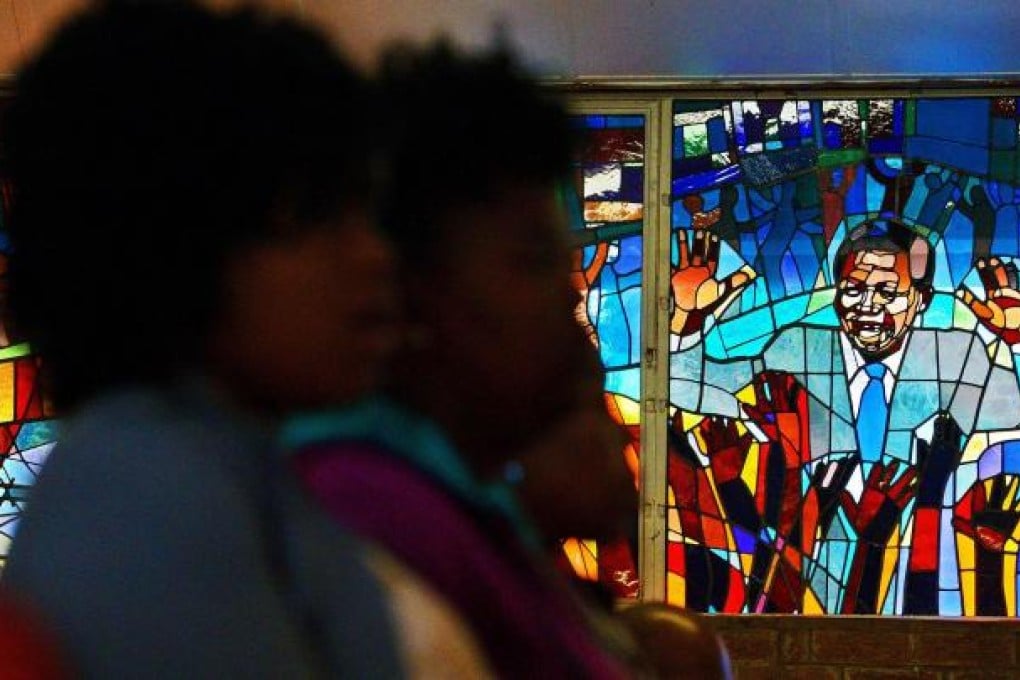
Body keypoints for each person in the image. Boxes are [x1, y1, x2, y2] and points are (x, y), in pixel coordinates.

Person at [0, 3, 490, 676]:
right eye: (311, 215)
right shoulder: (143, 495)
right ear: (170, 241)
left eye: (363, 211)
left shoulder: (224, 462)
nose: (375, 256)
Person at [283, 41, 640, 678]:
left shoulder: (462, 507)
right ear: (409, 285)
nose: (565, 297)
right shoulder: (372, 517)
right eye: (531, 260)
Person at [668, 216, 1020, 614]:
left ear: (921, 299)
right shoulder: (799, 349)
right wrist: (688, 320)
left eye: (887, 292)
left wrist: (1016, 340)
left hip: (922, 581)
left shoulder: (957, 356)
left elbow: (1013, 411)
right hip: (800, 586)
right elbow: (689, 389)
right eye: (853, 290)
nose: (867, 306)